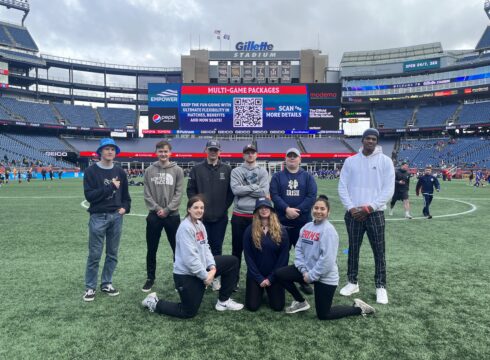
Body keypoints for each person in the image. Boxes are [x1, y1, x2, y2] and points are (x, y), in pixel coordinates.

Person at [141, 195, 244, 318]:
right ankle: (153, 302)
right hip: (186, 274)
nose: (199, 210)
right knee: (188, 312)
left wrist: (212, 267)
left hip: (201, 268)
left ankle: (223, 301)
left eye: (202, 208)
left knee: (232, 262)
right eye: (196, 207)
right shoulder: (185, 228)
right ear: (189, 209)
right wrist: (205, 276)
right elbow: (190, 259)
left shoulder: (200, 224)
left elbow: (206, 247)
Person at [275, 195, 376, 319]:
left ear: (328, 212)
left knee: (324, 315)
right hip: (307, 271)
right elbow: (299, 250)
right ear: (312, 209)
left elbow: (327, 260)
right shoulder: (306, 227)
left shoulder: (329, 231)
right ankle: (301, 302)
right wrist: (303, 270)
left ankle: (359, 308)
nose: (318, 211)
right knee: (280, 274)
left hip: (325, 277)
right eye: (316, 208)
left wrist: (312, 276)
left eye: (322, 209)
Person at [338, 128, 395, 305]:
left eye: (374, 139)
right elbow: (342, 186)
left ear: (376, 141)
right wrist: (351, 208)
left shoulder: (385, 161)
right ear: (362, 140)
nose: (370, 141)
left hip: (375, 213)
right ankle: (352, 282)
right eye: (367, 138)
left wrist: (370, 207)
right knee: (353, 249)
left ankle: (380, 286)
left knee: (379, 251)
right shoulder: (351, 161)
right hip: (353, 214)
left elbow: (388, 189)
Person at [82, 138, 131, 301]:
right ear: (100, 151)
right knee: (95, 254)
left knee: (112, 253)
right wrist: (110, 186)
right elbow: (90, 196)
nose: (110, 151)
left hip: (116, 216)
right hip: (98, 216)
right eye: (107, 149)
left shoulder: (120, 172)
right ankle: (90, 287)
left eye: (113, 149)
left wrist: (125, 208)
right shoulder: (91, 171)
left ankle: (106, 283)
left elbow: (126, 197)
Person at [186, 140, 234, 291]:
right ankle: (201, 275)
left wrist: (222, 208)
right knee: (199, 247)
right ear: (206, 150)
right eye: (211, 149)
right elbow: (190, 191)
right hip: (201, 218)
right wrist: (198, 210)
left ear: (220, 152)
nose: (213, 152)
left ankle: (215, 277)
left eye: (216, 150)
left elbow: (230, 194)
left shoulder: (227, 169)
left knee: (217, 247)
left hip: (220, 217)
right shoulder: (196, 169)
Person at [270, 147, 317, 294]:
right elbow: (275, 195)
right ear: (285, 159)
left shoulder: (307, 177)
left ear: (299, 159)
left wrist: (297, 211)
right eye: (289, 156)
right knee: (279, 254)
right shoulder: (277, 176)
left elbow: (311, 196)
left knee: (304, 254)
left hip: (302, 224)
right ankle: (278, 279)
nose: (292, 158)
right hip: (281, 223)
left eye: (294, 156)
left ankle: (303, 280)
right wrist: (286, 209)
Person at [142, 140, 184, 293]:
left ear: (170, 153)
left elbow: (179, 194)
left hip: (172, 216)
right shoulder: (149, 170)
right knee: (151, 249)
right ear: (156, 153)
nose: (163, 154)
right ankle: (150, 278)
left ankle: (178, 278)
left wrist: (167, 209)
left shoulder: (178, 170)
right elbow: (147, 194)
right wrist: (158, 208)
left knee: (177, 249)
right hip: (154, 216)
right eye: (160, 151)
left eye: (166, 151)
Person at [230, 143, 269, 290]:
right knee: (237, 250)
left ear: (256, 154)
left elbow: (264, 192)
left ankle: (257, 279)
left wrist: (246, 189)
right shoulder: (236, 171)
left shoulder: (263, 171)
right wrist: (255, 187)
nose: (250, 155)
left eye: (252, 152)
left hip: (256, 216)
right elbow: (236, 190)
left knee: (258, 249)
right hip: (239, 215)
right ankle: (234, 280)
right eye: (247, 152)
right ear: (243, 155)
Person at [243, 197, 289, 312]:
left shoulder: (281, 230)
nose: (264, 210)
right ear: (257, 211)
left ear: (271, 210)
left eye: (266, 207)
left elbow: (284, 257)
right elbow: (248, 256)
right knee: (252, 306)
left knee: (278, 307)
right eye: (260, 207)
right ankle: (258, 290)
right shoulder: (249, 230)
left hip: (274, 275)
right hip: (256, 275)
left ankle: (268, 290)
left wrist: (271, 278)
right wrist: (259, 278)